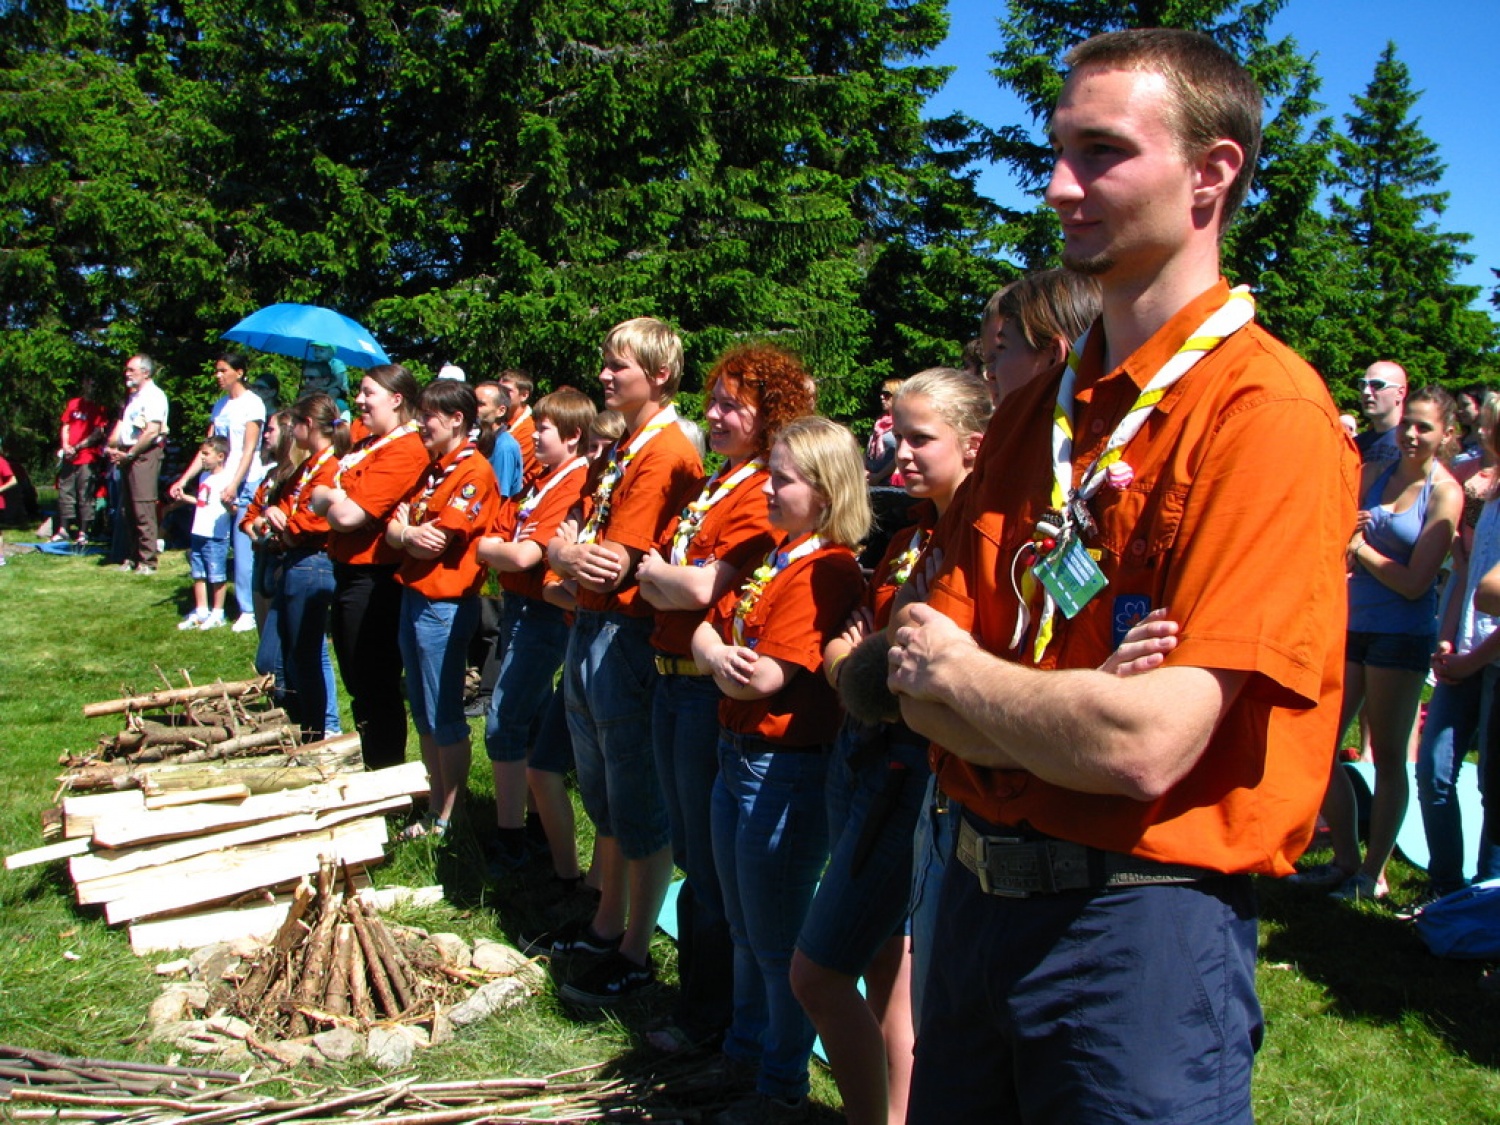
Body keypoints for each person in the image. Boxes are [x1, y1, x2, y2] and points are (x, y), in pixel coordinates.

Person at [885, 30, 1355, 1122]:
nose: (1057, 187)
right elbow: (915, 680)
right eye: (1057, 151)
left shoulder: (1262, 416)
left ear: (1211, 173)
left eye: (1101, 154)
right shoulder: (1027, 418)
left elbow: (1148, 748)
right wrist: (1056, 703)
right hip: (969, 904)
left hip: (1136, 934)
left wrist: (977, 681)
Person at [791, 368, 988, 1125]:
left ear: (975, 444)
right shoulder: (910, 534)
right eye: (894, 435)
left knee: (817, 972)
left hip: (905, 770)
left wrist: (849, 663)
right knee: (881, 959)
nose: (897, 453)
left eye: (919, 439)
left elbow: (886, 676)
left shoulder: (974, 543)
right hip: (863, 755)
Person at [634, 344, 815, 1056]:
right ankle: (716, 1010)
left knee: (710, 868)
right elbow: (667, 576)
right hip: (674, 673)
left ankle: (711, 1017)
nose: (712, 414)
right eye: (710, 399)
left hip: (701, 691)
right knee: (692, 851)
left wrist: (665, 578)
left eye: (730, 404)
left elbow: (705, 589)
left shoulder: (756, 491)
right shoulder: (722, 479)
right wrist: (668, 579)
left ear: (770, 416)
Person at [691, 416, 871, 1125]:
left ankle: (779, 1087)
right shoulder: (778, 550)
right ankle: (743, 1053)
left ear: (824, 494)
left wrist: (717, 653)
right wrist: (712, 654)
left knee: (775, 942)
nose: (767, 487)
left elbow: (759, 676)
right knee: (743, 923)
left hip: (783, 769)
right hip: (738, 756)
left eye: (784, 478)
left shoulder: (827, 567)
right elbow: (710, 627)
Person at [541, 317, 704, 1007]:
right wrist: (567, 553)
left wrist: (569, 556)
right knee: (603, 786)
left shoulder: (663, 451)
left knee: (636, 797)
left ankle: (636, 948)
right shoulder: (619, 448)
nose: (605, 376)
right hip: (593, 625)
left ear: (658, 375)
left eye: (620, 367)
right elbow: (567, 536)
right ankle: (607, 920)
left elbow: (612, 563)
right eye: (606, 364)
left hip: (628, 634)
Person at [1290, 387, 1461, 901]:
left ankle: (1374, 873)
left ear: (1446, 435)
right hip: (1351, 624)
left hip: (1400, 636)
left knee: (1387, 755)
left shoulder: (1444, 492)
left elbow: (1416, 583)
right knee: (1319, 746)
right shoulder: (1374, 476)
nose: (1411, 433)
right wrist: (1347, 545)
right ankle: (1344, 858)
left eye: (1425, 427)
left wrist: (1360, 547)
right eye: (1408, 423)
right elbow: (1335, 541)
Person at [476, 387, 595, 876]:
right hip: (523, 605)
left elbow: (526, 553)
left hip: (543, 612)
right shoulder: (542, 477)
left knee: (504, 717)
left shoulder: (574, 483)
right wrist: (498, 544)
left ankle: (512, 837)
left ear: (571, 436)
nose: (533, 435)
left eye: (543, 428)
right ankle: (533, 823)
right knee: (525, 713)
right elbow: (504, 528)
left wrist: (480, 547)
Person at [385, 380, 503, 836]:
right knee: (422, 708)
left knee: (442, 713)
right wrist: (406, 535)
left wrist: (407, 535)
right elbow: (397, 525)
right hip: (415, 596)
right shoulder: (434, 470)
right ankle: (437, 804)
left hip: (445, 607)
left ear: (457, 419)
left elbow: (436, 540)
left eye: (428, 416)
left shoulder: (472, 473)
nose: (419, 424)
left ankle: (450, 813)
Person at [311, 364, 430, 770]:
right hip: (349, 575)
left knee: (374, 683)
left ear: (397, 399)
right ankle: (376, 767)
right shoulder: (368, 443)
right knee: (360, 684)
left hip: (376, 580)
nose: (358, 401)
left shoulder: (405, 449)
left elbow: (347, 517)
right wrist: (333, 496)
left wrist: (332, 497)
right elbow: (321, 498)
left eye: (367, 394)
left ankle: (387, 774)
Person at [1412, 398, 1500, 900]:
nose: (1483, 430)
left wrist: (1474, 657)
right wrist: (1446, 637)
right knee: (1435, 768)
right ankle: (1444, 886)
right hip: (1461, 648)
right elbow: (1465, 572)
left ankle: (1487, 899)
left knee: (1494, 785)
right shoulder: (1487, 493)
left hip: (1491, 659)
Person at [249, 395, 350, 742]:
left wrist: (284, 526)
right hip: (293, 562)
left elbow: (316, 522)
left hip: (312, 564)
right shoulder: (306, 468)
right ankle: (298, 725)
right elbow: (273, 508)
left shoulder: (330, 467)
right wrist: (272, 520)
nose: (291, 432)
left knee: (305, 656)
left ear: (308, 426)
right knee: (282, 656)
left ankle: (316, 731)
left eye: (295, 425)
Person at [169, 354, 266, 632]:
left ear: (239, 372)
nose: (218, 375)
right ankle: (210, 607)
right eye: (216, 371)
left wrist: (235, 483)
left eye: (223, 371)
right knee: (210, 542)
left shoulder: (252, 404)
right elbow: (207, 449)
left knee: (243, 545)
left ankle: (248, 608)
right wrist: (185, 479)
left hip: (244, 483)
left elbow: (248, 449)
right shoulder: (220, 406)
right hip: (218, 483)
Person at [107, 354, 171, 575]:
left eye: (131, 370)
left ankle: (148, 560)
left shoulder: (155, 396)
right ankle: (133, 556)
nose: (127, 373)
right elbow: (124, 428)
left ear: (146, 372)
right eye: (126, 370)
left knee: (143, 507)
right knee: (128, 509)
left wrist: (132, 453)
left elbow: (152, 431)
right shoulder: (134, 398)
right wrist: (113, 448)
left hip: (144, 454)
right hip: (128, 454)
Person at [178, 435, 234, 630]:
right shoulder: (204, 476)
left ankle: (218, 612)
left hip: (216, 534)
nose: (202, 457)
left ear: (220, 456)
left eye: (206, 454)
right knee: (198, 572)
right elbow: (204, 502)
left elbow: (232, 507)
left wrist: (230, 507)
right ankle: (202, 610)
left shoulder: (227, 479)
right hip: (199, 531)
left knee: (216, 574)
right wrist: (187, 498)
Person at [55, 376, 109, 544]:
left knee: (85, 493)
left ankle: (83, 532)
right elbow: (66, 425)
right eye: (87, 383)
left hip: (86, 456)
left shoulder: (99, 408)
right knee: (65, 491)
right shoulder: (74, 403)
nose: (89, 387)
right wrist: (65, 445)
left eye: (93, 385)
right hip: (69, 456)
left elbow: (98, 432)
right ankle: (63, 529)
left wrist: (77, 446)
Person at [474, 381, 525, 499]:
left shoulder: (503, 447)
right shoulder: (480, 438)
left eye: (481, 404)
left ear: (501, 411)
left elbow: (499, 497)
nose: (474, 409)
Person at [1355, 360, 1408, 468]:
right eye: (1362, 384)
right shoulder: (1356, 444)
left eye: (1377, 385)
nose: (1366, 391)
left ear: (1400, 393)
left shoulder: (1410, 443)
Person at [499, 369, 541, 485]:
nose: (500, 395)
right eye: (499, 389)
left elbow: (506, 469)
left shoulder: (529, 429)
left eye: (507, 391)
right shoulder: (502, 421)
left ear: (524, 395)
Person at [863, 380, 902, 486]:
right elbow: (868, 451)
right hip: (870, 480)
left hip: (889, 483)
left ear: (898, 397)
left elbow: (898, 457)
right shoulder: (880, 423)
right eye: (881, 394)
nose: (881, 397)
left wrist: (878, 476)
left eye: (886, 395)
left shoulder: (902, 424)